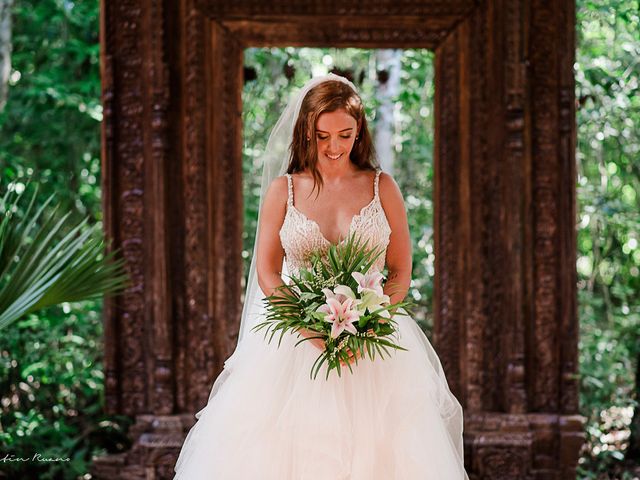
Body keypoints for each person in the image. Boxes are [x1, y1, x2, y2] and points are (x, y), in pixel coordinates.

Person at [173, 73, 469, 479]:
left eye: (345, 135)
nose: (334, 147)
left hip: (375, 345)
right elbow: (267, 271)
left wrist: (370, 325)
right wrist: (307, 328)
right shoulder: (285, 190)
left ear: (359, 131)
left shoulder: (383, 188)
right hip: (293, 346)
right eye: (322, 136)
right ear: (306, 132)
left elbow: (400, 271)